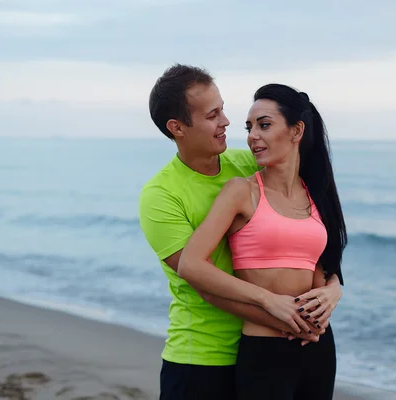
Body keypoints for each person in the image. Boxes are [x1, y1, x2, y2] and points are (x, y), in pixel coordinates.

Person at [138, 65, 323, 400]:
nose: (225, 122)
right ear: (177, 127)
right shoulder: (160, 195)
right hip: (201, 359)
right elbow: (203, 284)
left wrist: (334, 287)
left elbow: (308, 229)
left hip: (259, 350)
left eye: (222, 109)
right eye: (212, 115)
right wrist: (287, 320)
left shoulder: (249, 164)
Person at [178, 83, 347, 399]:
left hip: (318, 348)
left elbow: (322, 267)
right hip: (265, 351)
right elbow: (190, 265)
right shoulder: (241, 191)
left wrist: (332, 291)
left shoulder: (317, 195)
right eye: (250, 127)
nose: (252, 135)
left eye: (264, 125)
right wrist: (266, 299)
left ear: (296, 131)